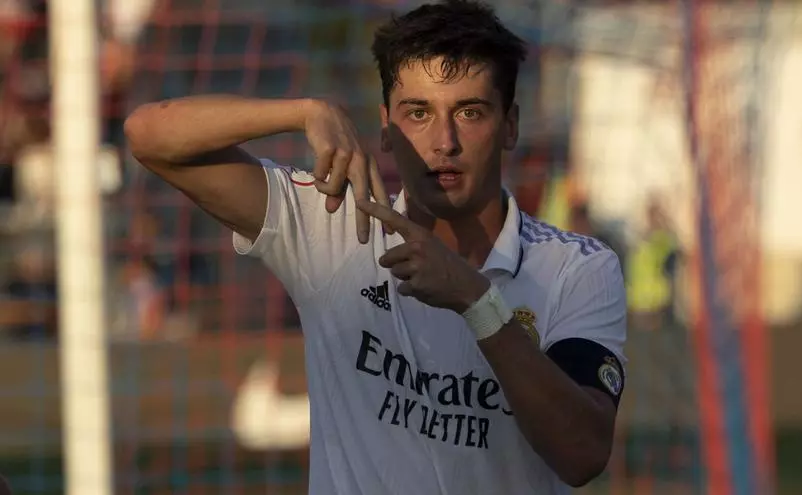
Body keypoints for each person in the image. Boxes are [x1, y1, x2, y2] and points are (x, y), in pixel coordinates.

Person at [124, 1, 627, 493]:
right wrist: (303, 111)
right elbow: (148, 135)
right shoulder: (330, 223)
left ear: (510, 126)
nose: (445, 141)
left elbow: (583, 454)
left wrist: (477, 302)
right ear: (386, 127)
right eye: (419, 113)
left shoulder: (576, 268)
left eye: (470, 112)